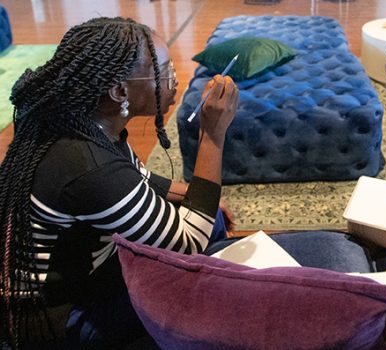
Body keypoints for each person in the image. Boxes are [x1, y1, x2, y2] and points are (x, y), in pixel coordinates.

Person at [0, 17, 241, 348]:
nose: (175, 81)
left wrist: (186, 193)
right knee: (194, 272)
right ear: (119, 92)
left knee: (205, 214)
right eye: (164, 72)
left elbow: (132, 176)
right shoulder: (88, 168)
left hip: (83, 268)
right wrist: (212, 135)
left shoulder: (87, 123)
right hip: (57, 315)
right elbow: (190, 241)